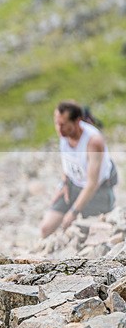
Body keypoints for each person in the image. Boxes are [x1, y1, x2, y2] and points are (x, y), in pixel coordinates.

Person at [40, 100, 116, 238]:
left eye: (63, 124)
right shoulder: (64, 134)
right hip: (73, 184)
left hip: (97, 191)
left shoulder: (93, 142)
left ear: (77, 121)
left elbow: (93, 183)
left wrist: (73, 212)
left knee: (94, 233)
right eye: (57, 123)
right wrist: (64, 183)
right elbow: (67, 162)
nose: (59, 128)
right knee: (45, 228)